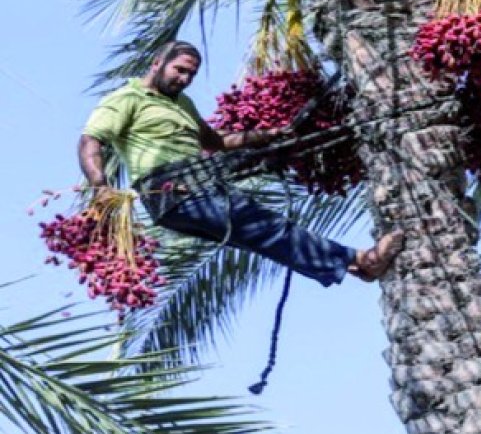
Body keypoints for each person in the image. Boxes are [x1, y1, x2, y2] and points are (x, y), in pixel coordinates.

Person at [78, 40, 402, 285]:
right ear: (157, 63)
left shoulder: (182, 103)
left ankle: (351, 268)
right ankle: (360, 259)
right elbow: (91, 142)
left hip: (193, 192)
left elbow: (216, 142)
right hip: (173, 192)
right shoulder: (127, 99)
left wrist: (273, 133)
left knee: (260, 237)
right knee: (264, 225)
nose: (185, 79)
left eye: (191, 74)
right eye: (179, 70)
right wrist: (100, 187)